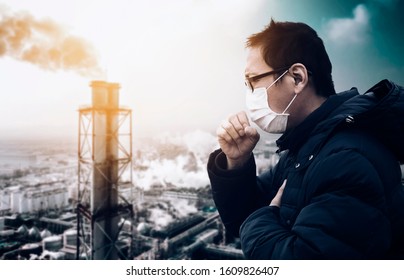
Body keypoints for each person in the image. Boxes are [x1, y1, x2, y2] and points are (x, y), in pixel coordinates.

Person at [207, 19, 404, 259]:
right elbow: (243, 218)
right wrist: (236, 163)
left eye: (254, 80)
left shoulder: (346, 159)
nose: (250, 93)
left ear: (298, 78)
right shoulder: (306, 148)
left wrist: (266, 215)